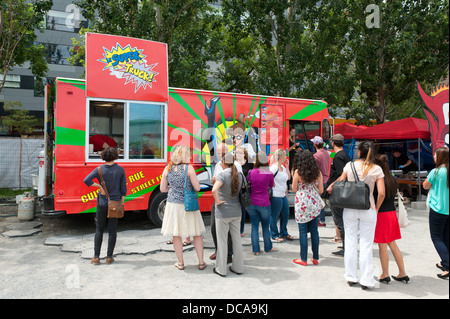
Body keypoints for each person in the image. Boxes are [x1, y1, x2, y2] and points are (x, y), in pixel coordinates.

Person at [327, 141, 385, 290]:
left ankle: (351, 277)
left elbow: (341, 181)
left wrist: (331, 186)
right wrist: (376, 208)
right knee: (366, 245)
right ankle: (366, 280)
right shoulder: (376, 169)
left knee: (350, 242)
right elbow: (382, 193)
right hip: (368, 208)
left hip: (350, 208)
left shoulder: (349, 166)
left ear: (359, 152)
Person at [160, 145, 206, 270]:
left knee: (176, 234)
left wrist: (173, 188)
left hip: (173, 205)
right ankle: (201, 262)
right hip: (188, 204)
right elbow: (197, 188)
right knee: (196, 233)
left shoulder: (167, 169)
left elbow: (162, 189)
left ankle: (180, 263)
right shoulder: (189, 168)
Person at [83, 147, 126, 265]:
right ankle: (109, 257)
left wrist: (99, 186)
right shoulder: (120, 170)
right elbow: (124, 190)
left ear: (103, 157)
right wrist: (121, 203)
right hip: (115, 204)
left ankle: (96, 257)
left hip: (102, 203)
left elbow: (86, 180)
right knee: (112, 231)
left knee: (99, 229)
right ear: (115, 156)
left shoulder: (99, 170)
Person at [374, 154, 409, 284]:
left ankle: (385, 274)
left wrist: (376, 207)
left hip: (381, 214)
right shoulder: (393, 179)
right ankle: (402, 272)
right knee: (392, 244)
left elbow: (380, 194)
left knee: (382, 246)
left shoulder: (378, 179)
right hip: (391, 213)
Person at [212, 153, 245, 276]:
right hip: (237, 211)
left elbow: (214, 189)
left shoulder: (222, 174)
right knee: (236, 240)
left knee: (222, 241)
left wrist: (218, 201)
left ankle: (221, 269)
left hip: (223, 212)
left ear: (223, 163)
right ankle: (238, 267)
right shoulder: (240, 174)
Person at [292, 150, 324, 266]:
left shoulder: (297, 172)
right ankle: (315, 258)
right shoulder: (318, 173)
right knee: (314, 232)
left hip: (302, 205)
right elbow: (321, 191)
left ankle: (303, 259)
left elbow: (294, 189)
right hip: (314, 204)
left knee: (303, 232)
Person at [423, 147, 449, 280]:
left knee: (437, 238)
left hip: (437, 209)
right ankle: (444, 262)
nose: (433, 156)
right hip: (448, 210)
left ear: (440, 157)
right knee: (446, 237)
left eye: (435, 154)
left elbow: (425, 186)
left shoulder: (437, 171)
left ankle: (448, 265)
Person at [247, 151, 278, 255]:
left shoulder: (251, 172)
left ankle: (256, 250)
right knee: (265, 226)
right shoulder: (268, 172)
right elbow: (271, 185)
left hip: (252, 203)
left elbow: (248, 184)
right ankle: (268, 247)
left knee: (254, 226)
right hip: (264, 203)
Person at [326, 134, 351, 256]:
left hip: (338, 192)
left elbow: (342, 175)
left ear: (333, 143)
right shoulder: (345, 155)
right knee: (343, 220)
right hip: (343, 191)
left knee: (340, 220)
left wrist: (331, 185)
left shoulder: (338, 157)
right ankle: (346, 245)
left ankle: (346, 248)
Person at [269, 149, 293, 242]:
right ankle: (274, 234)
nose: (286, 157)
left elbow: (289, 177)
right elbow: (267, 176)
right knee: (274, 216)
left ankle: (284, 232)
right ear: (280, 157)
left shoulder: (282, 166)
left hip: (283, 194)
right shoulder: (274, 167)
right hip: (276, 195)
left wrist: (287, 167)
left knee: (285, 214)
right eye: (284, 155)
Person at [311, 136, 330, 226]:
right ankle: (322, 220)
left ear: (315, 144)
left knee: (318, 200)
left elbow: (314, 169)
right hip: (327, 178)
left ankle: (320, 220)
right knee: (321, 200)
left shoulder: (315, 156)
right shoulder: (326, 153)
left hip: (319, 180)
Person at [235, 147, 254, 236]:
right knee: (236, 210)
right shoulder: (234, 164)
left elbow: (252, 175)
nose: (238, 155)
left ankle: (241, 230)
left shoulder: (250, 164)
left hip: (245, 190)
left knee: (243, 210)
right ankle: (236, 229)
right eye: (237, 153)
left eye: (240, 153)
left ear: (244, 154)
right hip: (236, 189)